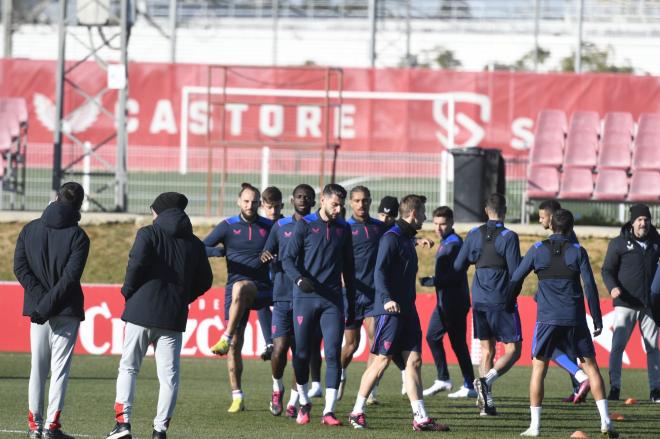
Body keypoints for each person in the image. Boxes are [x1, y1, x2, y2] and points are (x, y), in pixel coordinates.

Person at [106, 192, 213, 439]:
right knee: (169, 378)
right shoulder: (195, 243)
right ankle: (159, 430)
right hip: (172, 317)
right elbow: (205, 281)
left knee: (129, 368)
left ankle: (123, 425)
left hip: (140, 311)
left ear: (160, 211)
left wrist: (128, 291)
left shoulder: (148, 233)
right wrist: (183, 297)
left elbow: (135, 264)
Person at [507, 209, 618, 438]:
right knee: (592, 368)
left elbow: (516, 277)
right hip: (575, 319)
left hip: (547, 319)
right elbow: (589, 286)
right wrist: (596, 317)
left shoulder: (537, 249)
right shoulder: (578, 251)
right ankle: (606, 421)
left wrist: (509, 302)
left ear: (551, 225)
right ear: (570, 228)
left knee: (539, 369)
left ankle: (535, 427)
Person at [348, 194, 449, 431]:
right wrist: (386, 299)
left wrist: (417, 241)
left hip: (408, 310)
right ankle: (356, 412)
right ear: (413, 214)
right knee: (382, 360)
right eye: (423, 213)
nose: (425, 217)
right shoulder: (391, 238)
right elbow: (379, 271)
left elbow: (404, 246)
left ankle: (420, 418)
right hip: (390, 310)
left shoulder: (404, 238)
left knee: (414, 361)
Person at [14, 182, 89, 439]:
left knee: (38, 368)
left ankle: (35, 426)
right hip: (65, 309)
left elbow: (21, 269)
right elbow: (70, 278)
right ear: (79, 205)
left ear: (56, 197)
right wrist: (48, 304)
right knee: (59, 371)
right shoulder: (79, 236)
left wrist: (41, 303)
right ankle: (51, 428)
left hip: (38, 310)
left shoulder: (29, 229)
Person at [281, 183, 356, 426]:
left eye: (341, 205)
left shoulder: (344, 229)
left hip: (333, 300)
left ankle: (329, 412)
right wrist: (299, 279)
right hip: (305, 298)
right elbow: (288, 260)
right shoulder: (305, 225)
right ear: (322, 200)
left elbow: (349, 269)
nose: (338, 209)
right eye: (334, 204)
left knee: (333, 353)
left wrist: (352, 300)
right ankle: (304, 402)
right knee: (301, 354)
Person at [205, 183, 274, 412]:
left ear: (260, 204)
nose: (250, 205)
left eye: (255, 202)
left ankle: (225, 336)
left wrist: (273, 255)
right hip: (235, 293)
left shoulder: (269, 226)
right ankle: (237, 396)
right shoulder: (227, 226)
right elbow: (200, 246)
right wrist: (218, 251)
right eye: (246, 201)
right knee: (236, 346)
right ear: (239, 201)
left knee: (242, 286)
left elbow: (286, 249)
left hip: (262, 288)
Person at [454, 193, 521, 416]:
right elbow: (516, 273)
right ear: (505, 210)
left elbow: (458, 266)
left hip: (479, 300)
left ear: (485, 210)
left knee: (486, 350)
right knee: (514, 350)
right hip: (501, 300)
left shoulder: (474, 234)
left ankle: (485, 404)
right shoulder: (509, 236)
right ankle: (486, 381)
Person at [260, 184, 316, 417]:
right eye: (299, 196)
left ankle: (295, 401)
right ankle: (277, 386)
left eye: (307, 197)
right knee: (280, 349)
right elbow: (266, 252)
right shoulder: (280, 226)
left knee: (301, 353)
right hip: (282, 295)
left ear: (314, 201)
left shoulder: (318, 226)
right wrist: (265, 256)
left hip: (308, 298)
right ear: (292, 200)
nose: (303, 199)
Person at [601, 203, 660, 403]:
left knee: (652, 347)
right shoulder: (618, 243)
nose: (644, 223)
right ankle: (615, 388)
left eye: (646, 219)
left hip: (649, 306)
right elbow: (607, 270)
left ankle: (656, 391)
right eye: (640, 220)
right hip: (625, 304)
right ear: (632, 222)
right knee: (617, 346)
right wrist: (613, 288)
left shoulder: (656, 242)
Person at [419, 206, 476, 399]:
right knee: (451, 342)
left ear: (451, 223)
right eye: (435, 224)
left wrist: (431, 281)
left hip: (454, 303)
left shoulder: (453, 244)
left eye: (442, 224)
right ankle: (459, 382)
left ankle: (454, 381)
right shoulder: (447, 242)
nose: (438, 227)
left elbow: (454, 275)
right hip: (448, 301)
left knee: (437, 338)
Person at [538, 200, 591, 403]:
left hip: (560, 305)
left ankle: (581, 379)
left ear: (552, 219)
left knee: (546, 348)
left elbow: (563, 271)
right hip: (565, 303)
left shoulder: (567, 242)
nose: (540, 220)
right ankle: (579, 385)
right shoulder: (567, 238)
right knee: (568, 350)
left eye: (542, 217)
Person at [337, 186, 387, 402]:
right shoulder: (343, 228)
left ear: (370, 201)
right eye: (357, 201)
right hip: (351, 294)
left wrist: (416, 241)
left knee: (376, 339)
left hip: (373, 294)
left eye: (365, 200)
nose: (361, 205)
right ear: (350, 203)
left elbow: (397, 240)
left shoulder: (380, 227)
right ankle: (340, 374)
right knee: (351, 345)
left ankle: (370, 389)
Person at [256, 186, 285, 362]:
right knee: (261, 302)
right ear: (262, 205)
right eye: (269, 207)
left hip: (284, 276)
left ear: (282, 205)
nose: (273, 211)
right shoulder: (259, 226)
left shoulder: (288, 224)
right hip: (265, 276)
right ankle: (269, 342)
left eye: (276, 207)